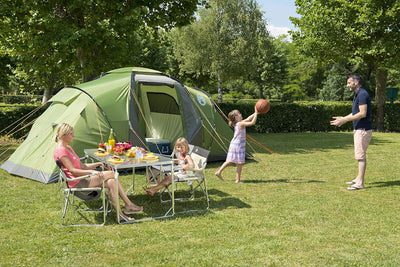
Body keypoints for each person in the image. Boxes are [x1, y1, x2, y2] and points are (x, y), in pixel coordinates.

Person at [53, 123, 143, 222]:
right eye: (71, 134)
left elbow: (81, 166)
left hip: (83, 179)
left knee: (112, 182)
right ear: (63, 135)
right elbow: (72, 170)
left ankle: (120, 215)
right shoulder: (61, 151)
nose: (73, 136)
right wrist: (92, 172)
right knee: (112, 173)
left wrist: (97, 164)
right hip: (77, 183)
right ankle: (128, 204)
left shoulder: (69, 148)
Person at [330, 74, 373, 190]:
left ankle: (360, 183)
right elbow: (355, 113)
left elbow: (362, 113)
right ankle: (358, 178)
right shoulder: (358, 94)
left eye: (349, 83)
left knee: (361, 156)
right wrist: (343, 119)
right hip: (359, 129)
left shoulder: (363, 94)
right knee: (359, 155)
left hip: (362, 129)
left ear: (356, 82)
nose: (347, 85)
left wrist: (345, 119)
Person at [215, 106, 258, 183]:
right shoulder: (240, 123)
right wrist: (257, 114)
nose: (241, 115)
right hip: (238, 146)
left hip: (234, 145)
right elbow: (252, 122)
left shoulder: (238, 123)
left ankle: (218, 172)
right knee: (240, 163)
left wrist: (255, 112)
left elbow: (248, 119)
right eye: (239, 114)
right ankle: (237, 180)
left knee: (229, 161)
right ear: (235, 117)